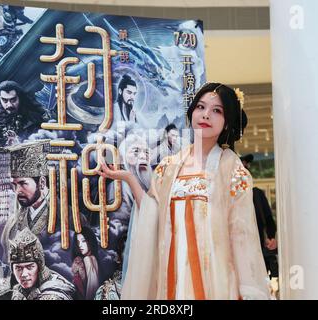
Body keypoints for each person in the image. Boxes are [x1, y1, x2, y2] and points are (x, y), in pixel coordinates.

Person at [99, 82, 271, 300]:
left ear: (227, 122)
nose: (206, 115)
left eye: (217, 110)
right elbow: (152, 215)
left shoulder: (232, 170)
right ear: (192, 113)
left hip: (216, 279)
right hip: (173, 276)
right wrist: (129, 178)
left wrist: (248, 292)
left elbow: (242, 235)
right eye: (201, 107)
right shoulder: (169, 167)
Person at [0, 228, 76, 300]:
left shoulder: (53, 293)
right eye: (18, 268)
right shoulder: (18, 282)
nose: (24, 274)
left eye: (29, 267)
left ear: (40, 266)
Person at [240, 154, 278, 279]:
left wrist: (271, 238)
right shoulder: (228, 197)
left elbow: (268, 219)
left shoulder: (257, 194)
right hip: (239, 253)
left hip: (259, 253)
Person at [71, 226, 100, 300]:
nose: (80, 245)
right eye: (78, 242)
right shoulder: (92, 258)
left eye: (83, 241)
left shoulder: (88, 259)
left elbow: (92, 288)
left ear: (90, 241)